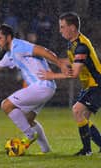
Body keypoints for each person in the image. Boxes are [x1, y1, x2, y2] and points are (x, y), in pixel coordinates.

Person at [0, 24, 69, 153]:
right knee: (28, 119)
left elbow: (41, 50)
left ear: (8, 37)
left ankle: (29, 136)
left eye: (0, 38)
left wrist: (59, 62)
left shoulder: (18, 46)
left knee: (6, 105)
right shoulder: (10, 54)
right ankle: (46, 150)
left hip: (41, 86)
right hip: (47, 87)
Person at [38, 12, 101, 156]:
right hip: (91, 85)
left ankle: (86, 151)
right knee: (83, 117)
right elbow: (73, 61)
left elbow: (75, 73)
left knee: (77, 110)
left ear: (72, 27)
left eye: (62, 27)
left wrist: (51, 76)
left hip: (97, 85)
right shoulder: (72, 43)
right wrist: (55, 61)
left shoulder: (81, 46)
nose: (60, 30)